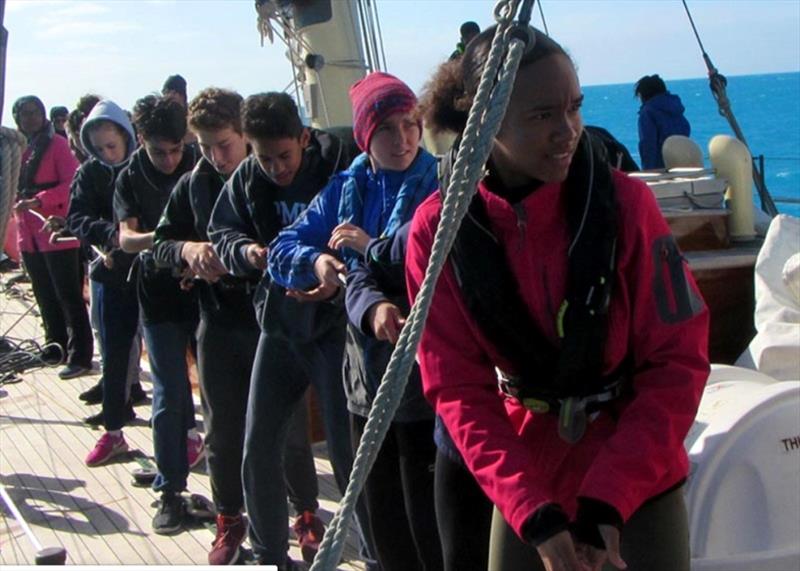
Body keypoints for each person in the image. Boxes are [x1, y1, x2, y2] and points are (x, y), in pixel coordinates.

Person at [408, 26, 710, 571]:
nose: (569, 130)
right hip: (530, 483)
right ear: (486, 121)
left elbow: (678, 360)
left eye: (575, 108)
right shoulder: (440, 231)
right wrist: (533, 511)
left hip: (635, 481)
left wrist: (607, 500)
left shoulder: (627, 205)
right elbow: (455, 388)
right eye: (543, 115)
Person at [267, 71, 441, 571]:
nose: (404, 138)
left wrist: (367, 250)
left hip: (425, 382)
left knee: (426, 520)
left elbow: (419, 251)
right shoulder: (348, 188)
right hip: (364, 382)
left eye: (411, 124)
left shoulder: (437, 181)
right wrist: (319, 263)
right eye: (387, 128)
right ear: (366, 136)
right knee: (380, 516)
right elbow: (286, 246)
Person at [208, 92, 360, 570]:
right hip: (279, 329)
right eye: (265, 158)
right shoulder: (247, 179)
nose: (276, 167)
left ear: (304, 138)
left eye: (285, 156)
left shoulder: (341, 170)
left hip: (335, 332)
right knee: (259, 446)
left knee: (348, 452)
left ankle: (374, 553)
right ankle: (270, 555)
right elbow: (222, 232)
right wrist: (248, 254)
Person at [151, 87, 257, 564]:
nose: (216, 157)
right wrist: (188, 251)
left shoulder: (270, 175)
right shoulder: (195, 183)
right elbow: (159, 245)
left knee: (288, 432)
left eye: (225, 145)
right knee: (221, 431)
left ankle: (304, 514)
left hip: (271, 322)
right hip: (217, 321)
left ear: (245, 135)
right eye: (207, 146)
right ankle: (230, 519)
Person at [113, 94, 201, 535]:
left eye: (177, 150)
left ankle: (237, 484)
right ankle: (170, 489)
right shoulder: (129, 177)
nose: (169, 160)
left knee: (224, 395)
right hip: (158, 296)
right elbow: (126, 240)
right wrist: (171, 242)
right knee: (168, 392)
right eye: (159, 152)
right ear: (142, 141)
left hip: (208, 294)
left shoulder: (200, 163)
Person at [66, 99, 143, 465]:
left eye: (112, 146)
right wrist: (109, 234)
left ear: (127, 137)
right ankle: (114, 431)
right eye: (98, 149)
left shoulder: (145, 167)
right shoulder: (89, 174)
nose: (106, 154)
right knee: (113, 354)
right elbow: (76, 217)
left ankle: (187, 433)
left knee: (165, 358)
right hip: (110, 273)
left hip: (151, 274)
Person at [12, 95, 93, 379]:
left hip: (53, 230)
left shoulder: (58, 145)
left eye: (34, 113)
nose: (29, 119)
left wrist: (39, 201)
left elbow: (71, 184)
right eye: (24, 114)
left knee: (68, 294)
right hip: (28, 233)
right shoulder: (17, 149)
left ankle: (80, 354)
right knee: (44, 294)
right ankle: (54, 345)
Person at [634, 74, 691, 169]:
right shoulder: (676, 109)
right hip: (684, 164)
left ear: (643, 94)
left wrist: (648, 171)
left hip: (661, 169)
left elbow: (648, 145)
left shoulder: (648, 112)